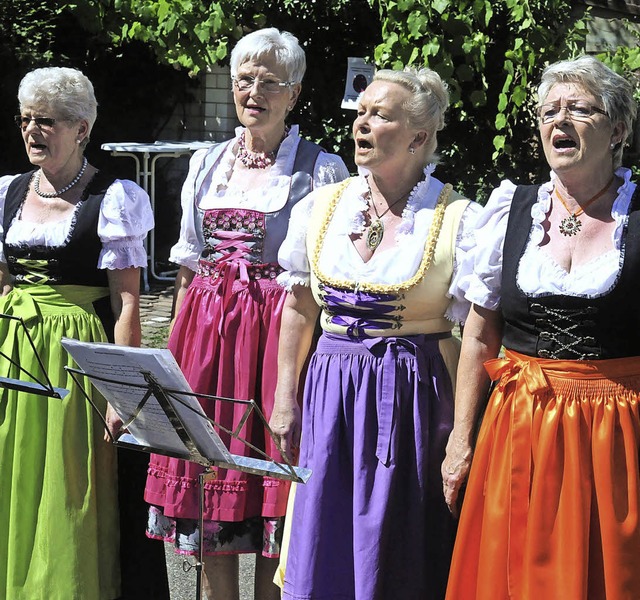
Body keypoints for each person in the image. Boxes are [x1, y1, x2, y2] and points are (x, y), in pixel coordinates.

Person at [143, 27, 349, 600]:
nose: (253, 91)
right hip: (204, 340)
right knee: (208, 498)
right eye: (244, 79)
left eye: (269, 82)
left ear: (294, 93)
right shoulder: (208, 163)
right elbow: (188, 264)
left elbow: (319, 282)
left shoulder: (320, 168)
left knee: (269, 501)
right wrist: (170, 359)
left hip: (273, 339)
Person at [270, 66, 479, 600]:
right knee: (325, 530)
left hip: (413, 392)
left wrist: (463, 430)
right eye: (360, 113)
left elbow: (480, 328)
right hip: (332, 388)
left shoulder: (460, 217)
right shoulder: (321, 206)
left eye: (379, 115)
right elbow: (297, 306)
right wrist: (285, 396)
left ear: (418, 137)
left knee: (398, 539)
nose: (361, 125)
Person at [442, 55, 640, 600]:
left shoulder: (637, 217)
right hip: (519, 424)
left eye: (578, 109)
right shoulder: (510, 212)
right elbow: (479, 336)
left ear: (618, 128)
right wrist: (462, 440)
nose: (559, 121)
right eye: (549, 110)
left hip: (617, 434)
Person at [0, 67, 154, 599]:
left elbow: (128, 301)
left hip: (75, 357)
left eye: (47, 121)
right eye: (25, 119)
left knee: (65, 486)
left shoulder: (114, 198)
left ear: (82, 128)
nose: (32, 131)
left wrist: (123, 390)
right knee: (9, 475)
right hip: (12, 352)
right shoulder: (7, 193)